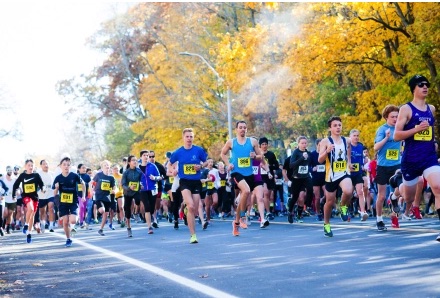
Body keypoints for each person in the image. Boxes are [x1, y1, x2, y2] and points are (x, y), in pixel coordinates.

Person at [394, 74, 440, 242]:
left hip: (428, 157)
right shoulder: (406, 109)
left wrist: (432, 141)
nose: (425, 87)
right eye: (421, 84)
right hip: (411, 159)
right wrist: (416, 129)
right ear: (413, 88)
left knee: (438, 186)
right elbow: (397, 135)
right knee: (409, 197)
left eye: (427, 84)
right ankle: (395, 197)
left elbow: (429, 132)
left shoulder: (431, 109)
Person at [220, 120, 263, 237]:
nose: (243, 129)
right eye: (240, 127)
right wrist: (228, 163)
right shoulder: (231, 142)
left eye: (244, 127)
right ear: (236, 129)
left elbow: (261, 156)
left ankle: (236, 223)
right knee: (246, 191)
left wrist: (255, 156)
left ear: (246, 129)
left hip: (248, 174)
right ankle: (243, 217)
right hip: (236, 172)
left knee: (243, 199)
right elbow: (222, 154)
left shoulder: (252, 141)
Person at [168, 128, 208, 244]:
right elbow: (170, 164)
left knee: (194, 209)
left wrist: (201, 166)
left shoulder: (198, 150)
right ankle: (193, 235)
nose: (189, 138)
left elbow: (206, 162)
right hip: (184, 181)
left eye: (191, 136)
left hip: (196, 181)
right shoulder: (178, 152)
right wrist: (173, 170)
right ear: (183, 138)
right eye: (187, 136)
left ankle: (186, 209)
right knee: (191, 206)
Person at [318, 116, 353, 237]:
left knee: (349, 191)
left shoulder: (346, 140)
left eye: (339, 125)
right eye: (335, 125)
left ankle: (343, 206)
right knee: (329, 201)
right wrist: (327, 151)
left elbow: (348, 154)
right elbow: (320, 160)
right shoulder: (325, 141)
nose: (338, 127)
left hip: (343, 172)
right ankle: (326, 224)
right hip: (331, 176)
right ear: (330, 128)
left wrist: (349, 164)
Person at [373, 105, 401, 231]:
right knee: (381, 196)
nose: (395, 119)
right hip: (383, 166)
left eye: (397, 116)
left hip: (397, 164)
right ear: (386, 117)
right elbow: (376, 147)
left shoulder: (400, 128)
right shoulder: (382, 129)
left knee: (402, 189)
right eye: (392, 117)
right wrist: (386, 137)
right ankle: (379, 220)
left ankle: (393, 198)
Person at [53, 157, 86, 247]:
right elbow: (54, 193)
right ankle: (68, 239)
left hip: (73, 201)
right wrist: (56, 188)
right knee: (65, 221)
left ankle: (73, 227)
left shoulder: (74, 176)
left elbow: (83, 184)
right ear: (60, 166)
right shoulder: (58, 178)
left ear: (70, 166)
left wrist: (83, 195)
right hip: (63, 202)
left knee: (73, 220)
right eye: (64, 165)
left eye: (68, 165)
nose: (66, 166)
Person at [12, 159, 45, 243]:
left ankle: (29, 233)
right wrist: (14, 195)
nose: (30, 167)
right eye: (29, 165)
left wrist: (43, 188)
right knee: (30, 209)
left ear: (34, 166)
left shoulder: (36, 175)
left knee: (32, 216)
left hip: (35, 197)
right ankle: (26, 225)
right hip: (26, 196)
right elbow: (15, 185)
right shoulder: (22, 175)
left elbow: (41, 184)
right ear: (25, 166)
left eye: (32, 165)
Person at [288, 136, 312, 223]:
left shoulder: (308, 153)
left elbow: (311, 163)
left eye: (305, 143)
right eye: (302, 143)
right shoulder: (296, 153)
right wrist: (301, 158)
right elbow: (291, 165)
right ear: (298, 144)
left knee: (307, 193)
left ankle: (300, 214)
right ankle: (290, 212)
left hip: (305, 177)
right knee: (295, 198)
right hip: (297, 178)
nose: (304, 145)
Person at [92, 160, 116, 236]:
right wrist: (91, 190)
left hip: (107, 197)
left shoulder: (111, 178)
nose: (106, 166)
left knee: (106, 214)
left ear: (109, 167)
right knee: (102, 210)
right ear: (102, 168)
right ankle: (97, 215)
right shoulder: (99, 175)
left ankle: (101, 229)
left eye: (108, 165)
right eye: (105, 165)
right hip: (99, 196)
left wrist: (114, 190)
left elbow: (114, 187)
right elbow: (91, 183)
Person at [349, 129, 369, 221]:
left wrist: (363, 163)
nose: (356, 137)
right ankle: (347, 210)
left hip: (358, 173)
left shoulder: (361, 146)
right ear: (350, 137)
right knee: (348, 193)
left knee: (360, 192)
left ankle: (363, 212)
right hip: (348, 173)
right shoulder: (347, 146)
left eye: (357, 135)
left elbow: (362, 157)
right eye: (354, 136)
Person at [121, 155, 143, 237]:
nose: (135, 161)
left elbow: (142, 180)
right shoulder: (126, 172)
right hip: (128, 193)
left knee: (138, 201)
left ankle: (136, 213)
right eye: (133, 160)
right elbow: (123, 184)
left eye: (136, 160)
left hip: (136, 191)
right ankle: (129, 227)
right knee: (127, 210)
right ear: (129, 162)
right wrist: (128, 187)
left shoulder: (139, 171)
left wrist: (141, 185)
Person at [259, 137, 279, 220]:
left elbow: (277, 166)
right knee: (266, 193)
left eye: (265, 144)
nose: (264, 146)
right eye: (262, 144)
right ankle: (268, 212)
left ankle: (270, 210)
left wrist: (269, 166)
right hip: (261, 176)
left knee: (270, 195)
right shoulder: (257, 154)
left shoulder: (271, 154)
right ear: (260, 145)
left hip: (269, 176)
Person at [37, 160, 55, 233]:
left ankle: (51, 226)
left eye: (47, 164)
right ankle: (43, 224)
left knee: (51, 207)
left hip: (50, 194)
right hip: (41, 195)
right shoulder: (38, 174)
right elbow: (35, 185)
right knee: (42, 211)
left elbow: (55, 184)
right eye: (44, 164)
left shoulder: (52, 174)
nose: (46, 165)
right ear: (41, 166)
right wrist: (40, 189)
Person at [310, 139, 326, 221]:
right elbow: (308, 166)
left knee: (327, 194)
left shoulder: (325, 154)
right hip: (315, 178)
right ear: (317, 145)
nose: (322, 147)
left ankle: (322, 201)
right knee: (317, 197)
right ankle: (318, 213)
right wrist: (312, 168)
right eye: (320, 145)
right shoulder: (312, 154)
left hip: (324, 177)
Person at [3, 166, 17, 234]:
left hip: (13, 199)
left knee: (10, 214)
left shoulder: (15, 178)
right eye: (8, 170)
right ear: (6, 170)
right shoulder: (3, 178)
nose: (10, 172)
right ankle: (2, 226)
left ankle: (8, 228)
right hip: (4, 199)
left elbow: (18, 187)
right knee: (5, 213)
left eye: (11, 170)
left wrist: (18, 191)